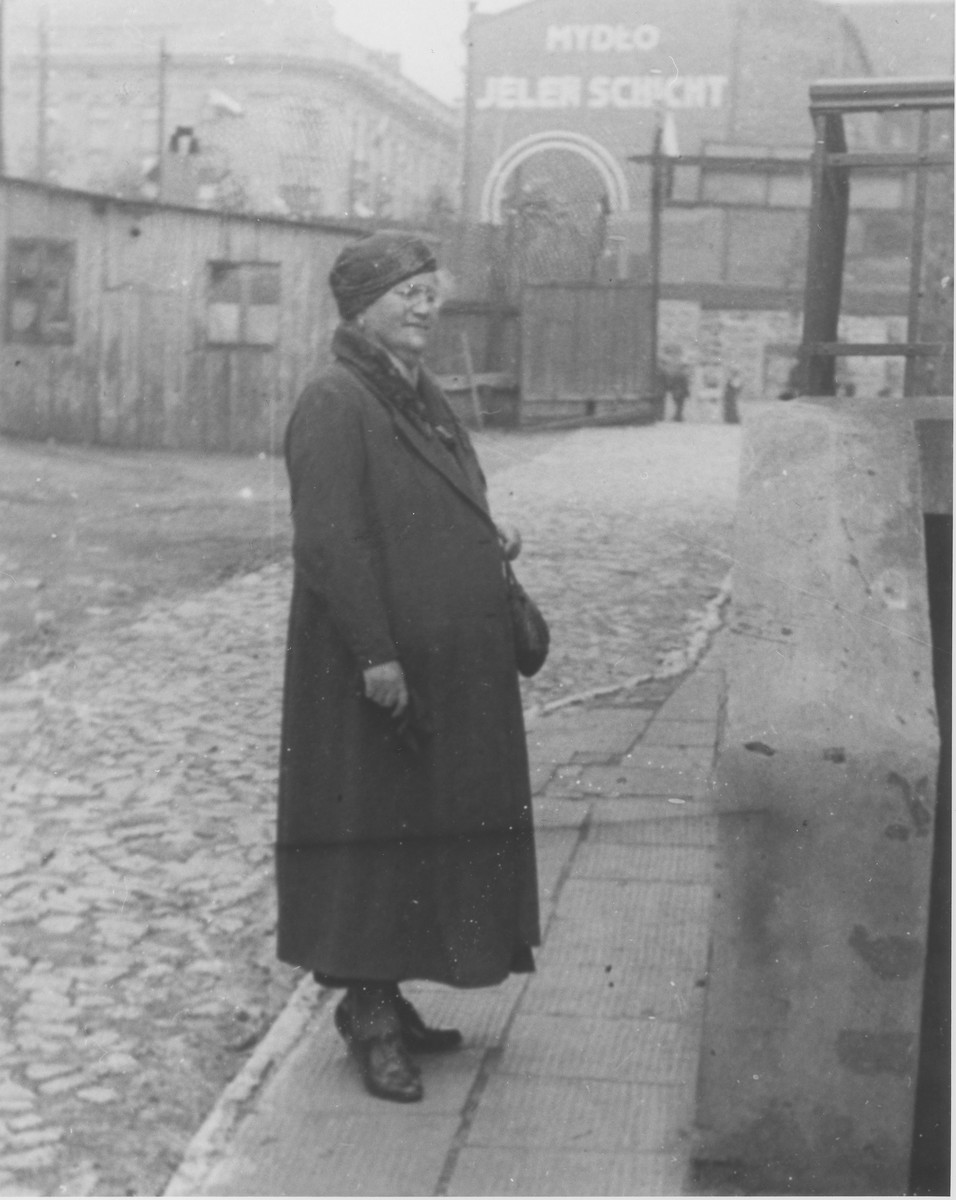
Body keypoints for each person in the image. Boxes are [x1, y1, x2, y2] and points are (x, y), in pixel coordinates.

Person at [276, 230, 540, 1104]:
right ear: (361, 308)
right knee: (370, 840)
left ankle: (389, 1001)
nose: (428, 304)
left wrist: (479, 536)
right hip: (372, 674)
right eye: (407, 293)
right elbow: (330, 540)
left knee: (417, 830)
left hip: (442, 670)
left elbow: (426, 494)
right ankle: (370, 1019)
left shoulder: (413, 390)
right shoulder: (335, 398)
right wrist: (378, 654)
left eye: (432, 289)